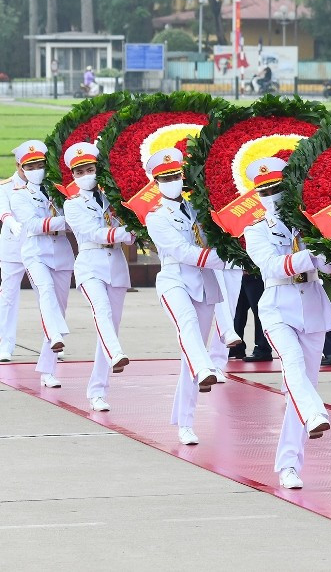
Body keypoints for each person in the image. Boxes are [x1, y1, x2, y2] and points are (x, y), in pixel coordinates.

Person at [243, 157, 331, 488]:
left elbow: (329, 268)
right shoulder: (255, 230)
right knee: (293, 366)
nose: (272, 196)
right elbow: (271, 265)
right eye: (265, 192)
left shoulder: (309, 223)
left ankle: (289, 464)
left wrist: (330, 249)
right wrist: (310, 255)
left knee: (303, 383)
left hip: (312, 305)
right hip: (278, 306)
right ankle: (314, 414)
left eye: (277, 189)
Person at [145, 148, 225, 445]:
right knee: (188, 328)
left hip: (204, 284)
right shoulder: (156, 217)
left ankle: (185, 421)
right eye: (165, 178)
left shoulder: (198, 208)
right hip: (174, 280)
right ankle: (205, 368)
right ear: (156, 182)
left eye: (175, 176)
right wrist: (224, 260)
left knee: (190, 354)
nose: (171, 182)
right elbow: (181, 251)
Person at [61, 143, 134, 411]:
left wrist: (135, 229)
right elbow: (92, 233)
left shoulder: (113, 197)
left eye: (90, 169)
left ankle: (97, 391)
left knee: (110, 326)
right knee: (101, 312)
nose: (86, 175)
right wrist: (125, 232)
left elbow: (130, 229)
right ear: (73, 175)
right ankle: (116, 353)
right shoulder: (72, 204)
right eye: (79, 172)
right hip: (90, 264)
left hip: (116, 264)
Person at [10, 141, 75, 388]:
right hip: (36, 253)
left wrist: (71, 219)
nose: (36, 170)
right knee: (46, 292)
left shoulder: (58, 190)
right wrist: (66, 220)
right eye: (30, 166)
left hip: (61, 253)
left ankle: (48, 371)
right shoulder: (19, 195)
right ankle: (55, 334)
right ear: (21, 168)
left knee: (59, 307)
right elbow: (33, 225)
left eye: (39, 165)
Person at [0, 161, 28, 362]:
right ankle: (5, 345)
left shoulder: (45, 185)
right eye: (28, 166)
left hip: (38, 247)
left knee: (47, 296)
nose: (34, 170)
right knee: (8, 297)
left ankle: (52, 344)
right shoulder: (6, 186)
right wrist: (11, 223)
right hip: (13, 247)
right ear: (18, 165)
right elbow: (4, 211)